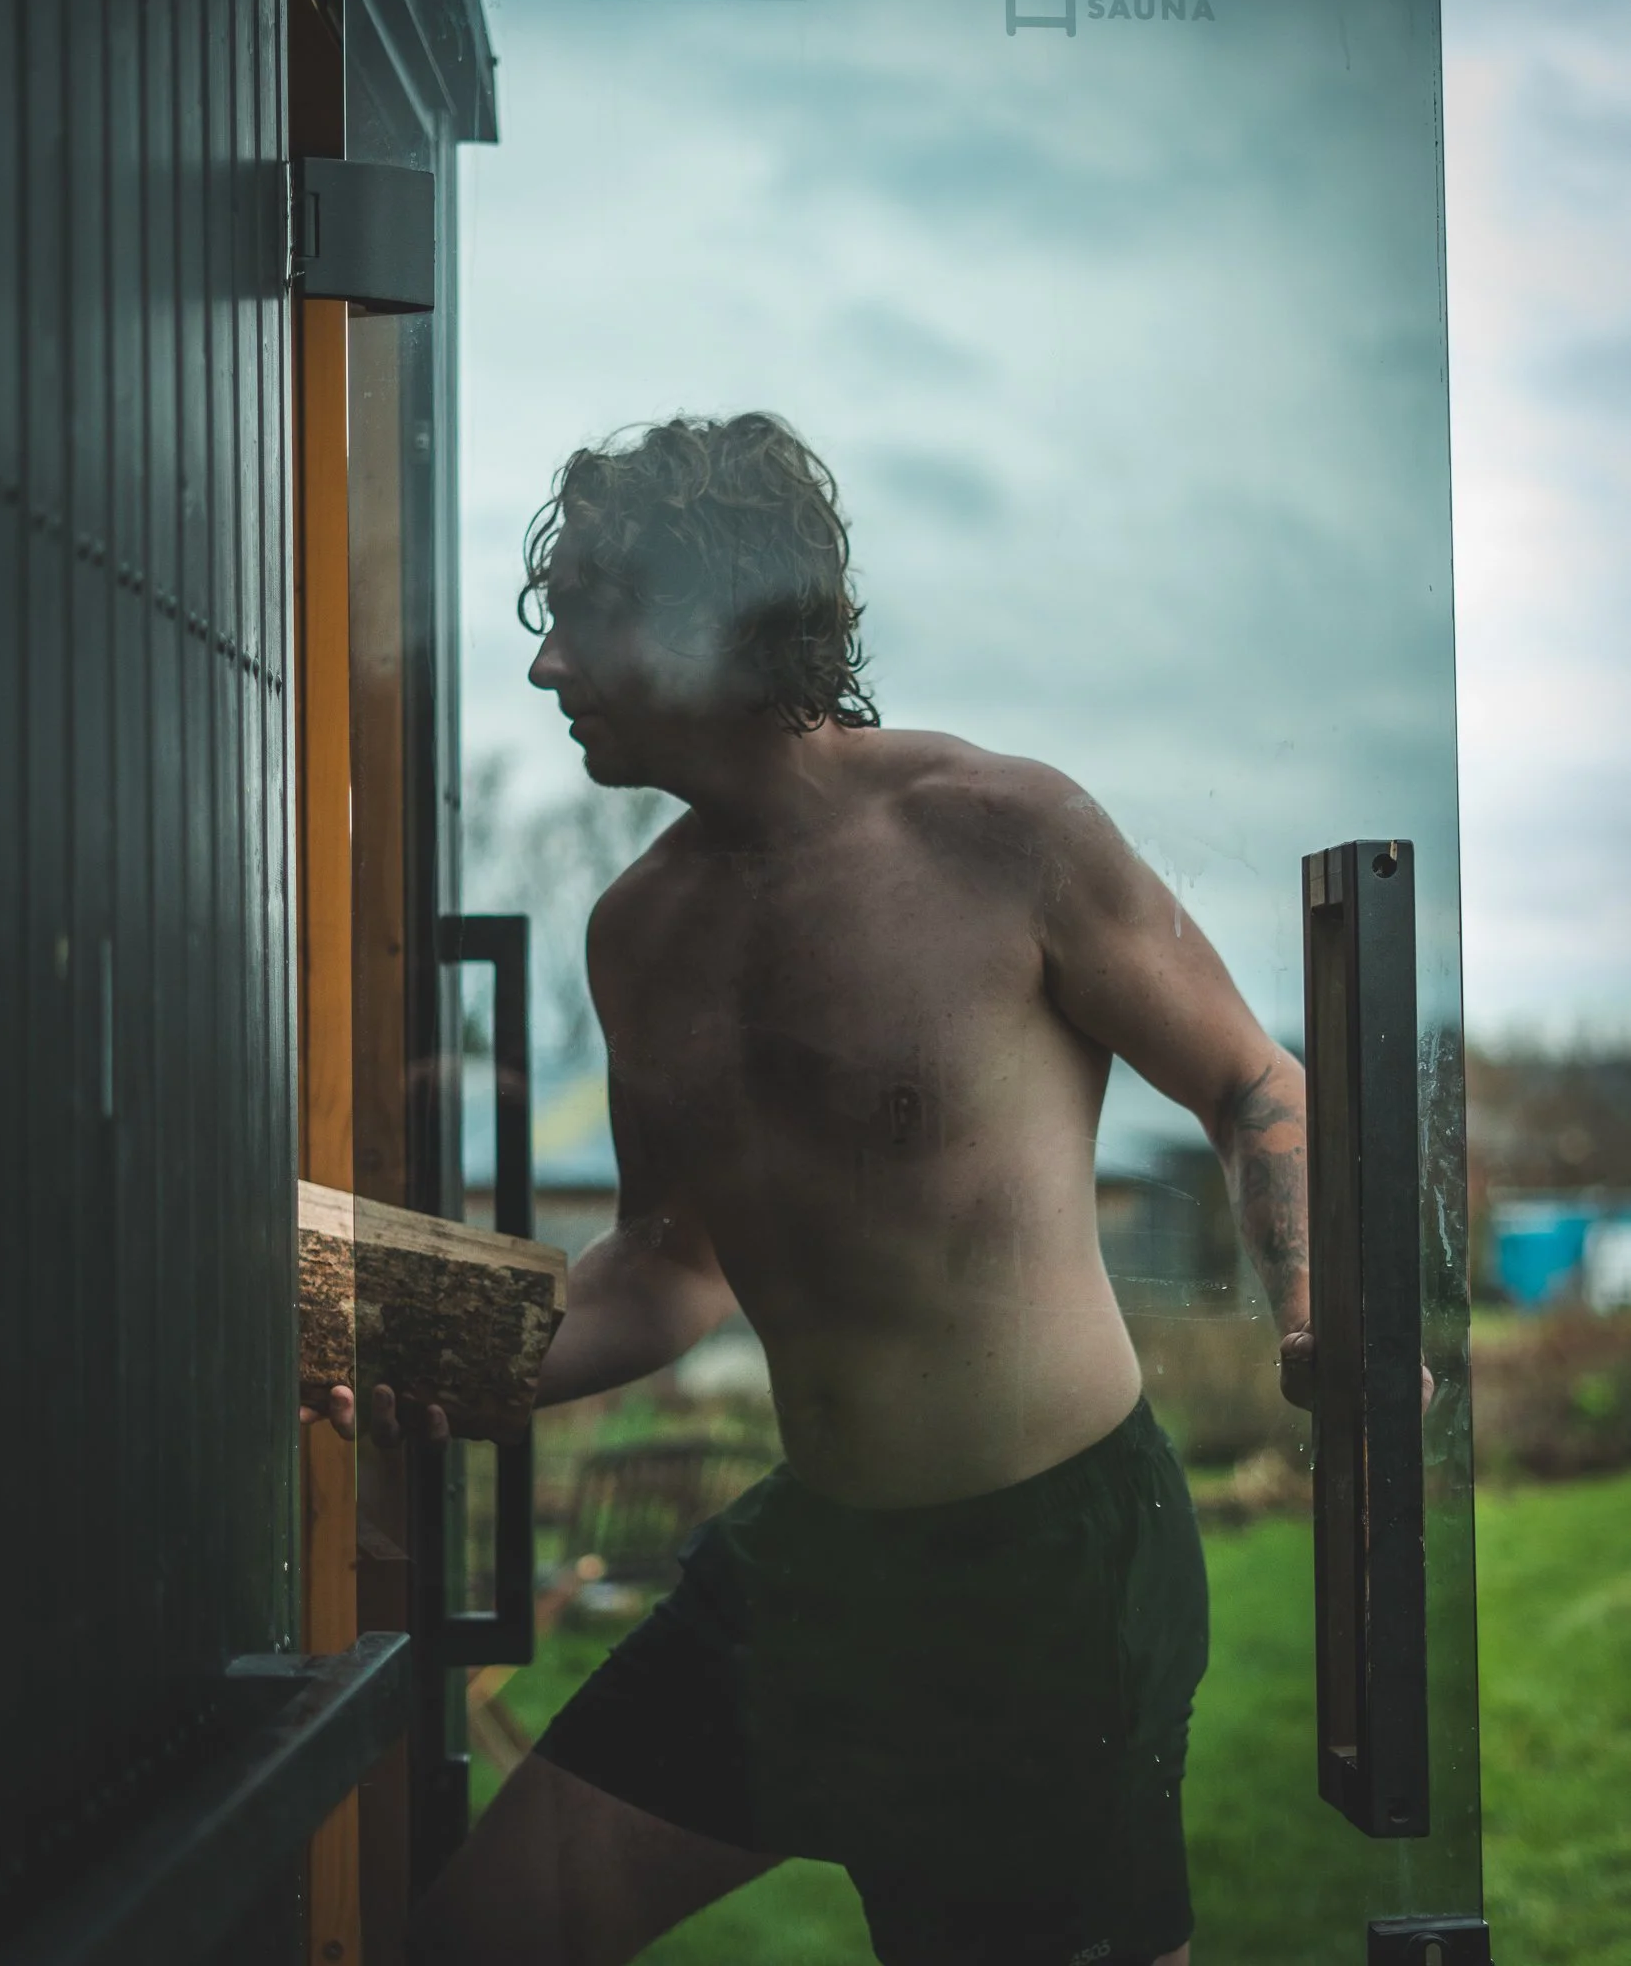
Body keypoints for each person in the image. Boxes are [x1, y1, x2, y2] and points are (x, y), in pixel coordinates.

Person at [401, 412, 1320, 1966]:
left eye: (581, 625)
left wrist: (1318, 1323)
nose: (547, 672)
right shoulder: (637, 934)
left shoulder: (1001, 834)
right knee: (484, 1930)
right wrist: (442, 1366)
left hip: (1042, 1583)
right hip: (814, 1572)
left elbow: (1252, 1083)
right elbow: (664, 1267)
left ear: (702, 617)